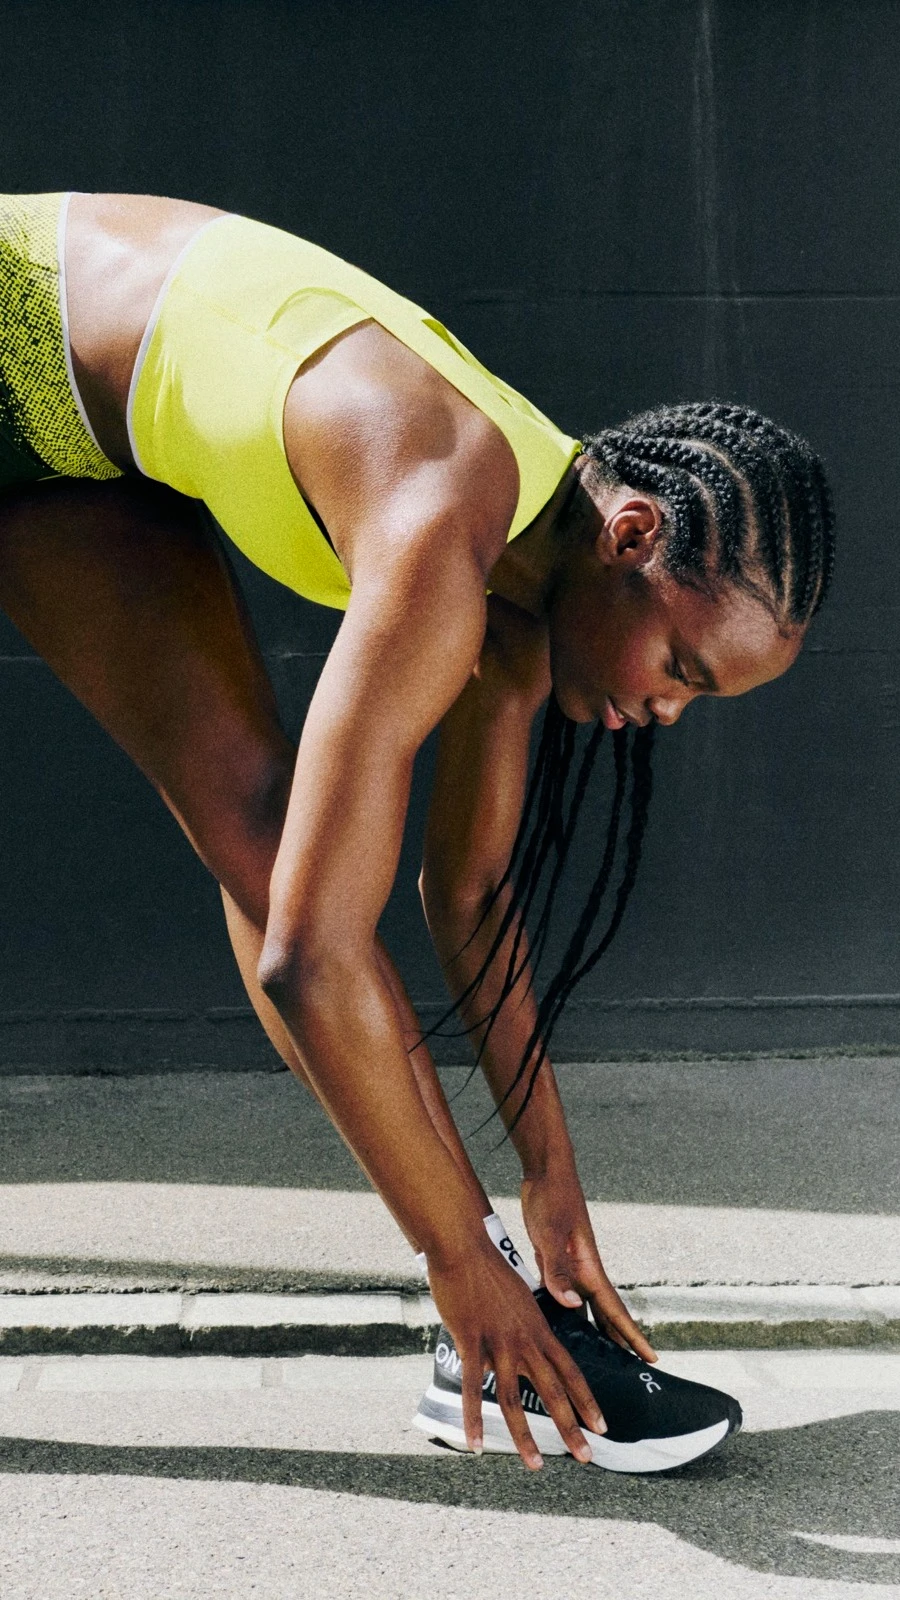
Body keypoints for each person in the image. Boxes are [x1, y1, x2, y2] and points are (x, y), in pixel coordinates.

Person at [0, 190, 834, 1472]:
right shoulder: (452, 510)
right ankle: (475, 1306)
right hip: (12, 312)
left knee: (275, 839)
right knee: (309, 907)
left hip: (74, 443)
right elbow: (306, 958)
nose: (665, 709)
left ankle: (490, 1325)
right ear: (633, 534)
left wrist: (547, 1191)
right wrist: (455, 1255)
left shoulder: (520, 597)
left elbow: (472, 898)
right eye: (683, 666)